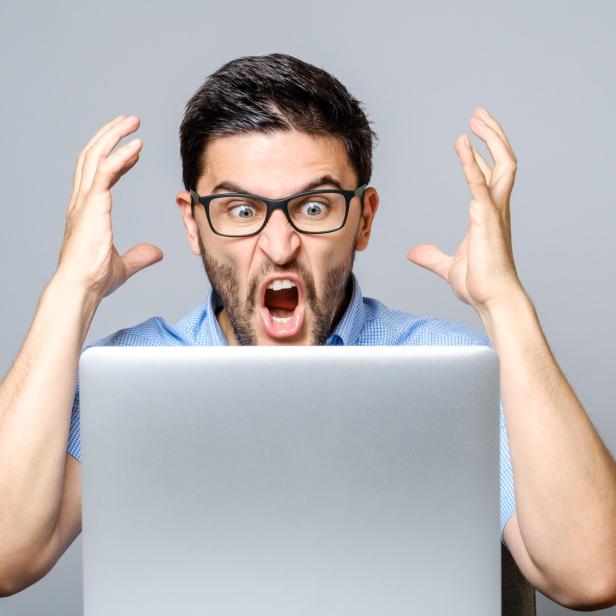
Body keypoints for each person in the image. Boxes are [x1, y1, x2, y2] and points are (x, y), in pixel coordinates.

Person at [0, 53, 615, 610]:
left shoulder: (459, 368)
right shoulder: (126, 376)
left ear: (363, 219)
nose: (279, 245)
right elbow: (7, 557)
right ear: (193, 224)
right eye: (241, 210)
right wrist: (69, 293)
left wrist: (504, 303)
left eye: (314, 207)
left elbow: (591, 574)